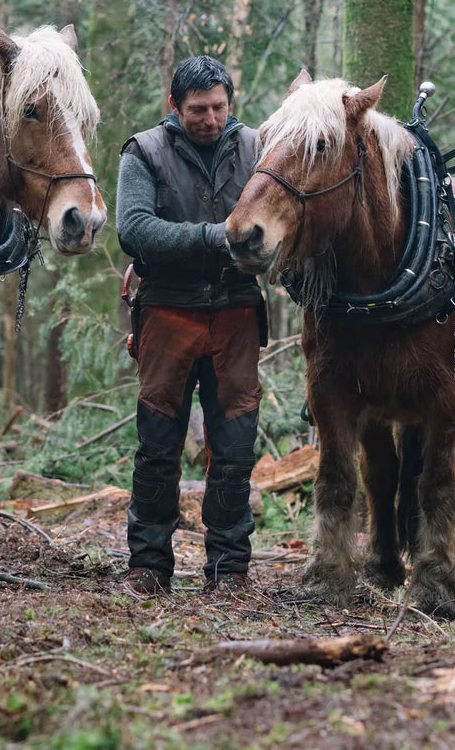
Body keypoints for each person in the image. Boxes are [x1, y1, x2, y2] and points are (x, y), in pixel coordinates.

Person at [114, 55, 265, 596]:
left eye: (219, 107)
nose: (210, 119)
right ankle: (148, 565)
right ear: (173, 107)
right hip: (167, 317)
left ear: (230, 101)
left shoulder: (257, 148)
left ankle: (230, 569)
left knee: (234, 449)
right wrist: (214, 237)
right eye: (198, 109)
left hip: (237, 318)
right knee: (158, 445)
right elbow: (133, 229)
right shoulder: (143, 151)